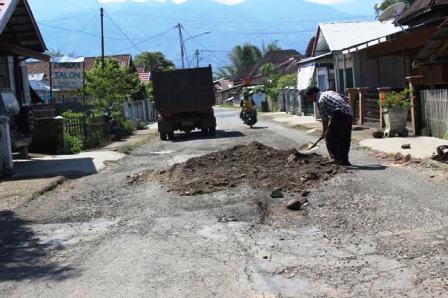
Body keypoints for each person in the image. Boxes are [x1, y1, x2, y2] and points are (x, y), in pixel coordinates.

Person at [305, 86, 353, 166]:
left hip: (339, 114)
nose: (310, 100)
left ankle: (335, 158)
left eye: (309, 97)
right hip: (349, 113)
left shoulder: (320, 100)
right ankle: (344, 161)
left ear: (313, 94)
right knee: (344, 138)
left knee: (328, 136)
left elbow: (325, 119)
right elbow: (346, 99)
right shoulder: (330, 92)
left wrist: (324, 133)